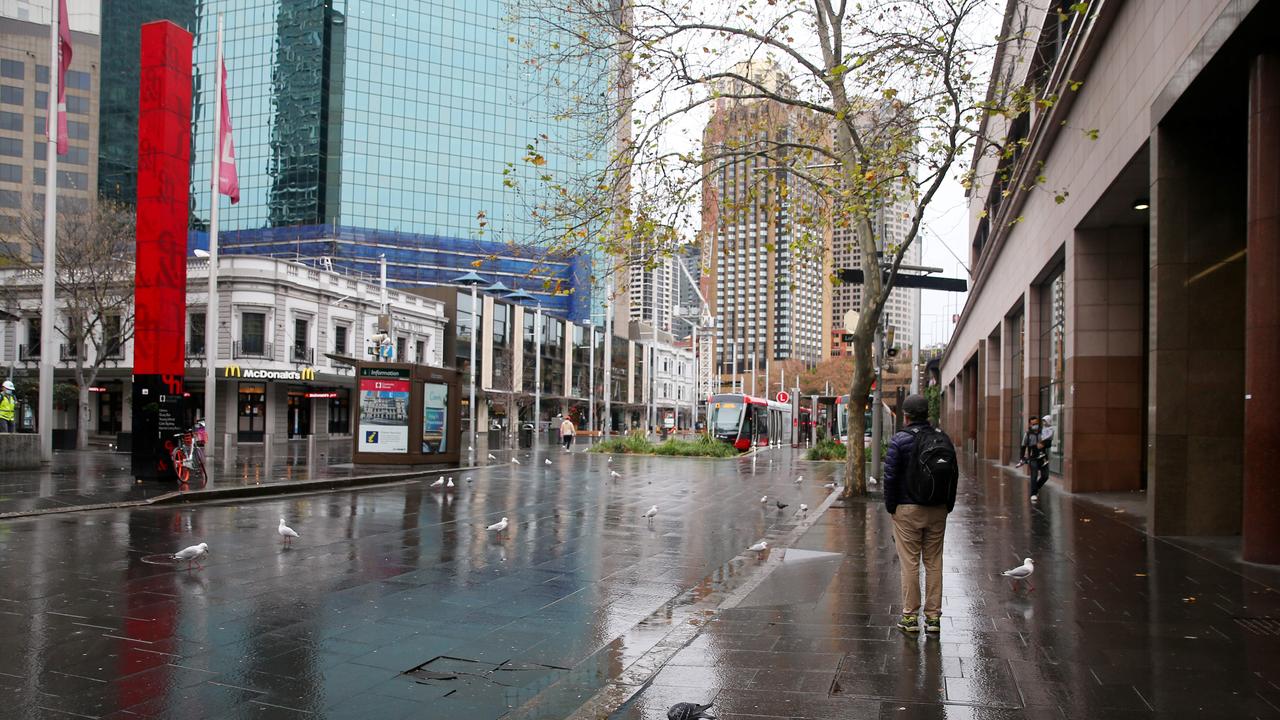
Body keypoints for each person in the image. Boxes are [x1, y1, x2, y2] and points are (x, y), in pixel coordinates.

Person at [883, 394, 957, 634]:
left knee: (910, 563)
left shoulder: (900, 440)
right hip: (937, 508)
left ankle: (910, 617)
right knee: (934, 562)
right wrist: (948, 505)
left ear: (905, 416)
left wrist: (891, 506)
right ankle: (934, 619)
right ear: (927, 414)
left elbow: (890, 477)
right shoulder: (942, 438)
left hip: (907, 510)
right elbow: (954, 474)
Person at [1021, 415, 1053, 501]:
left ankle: (1036, 488)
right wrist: (1022, 458)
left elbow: (1049, 443)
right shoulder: (1027, 434)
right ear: (1030, 425)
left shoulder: (1044, 431)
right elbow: (1023, 446)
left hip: (1043, 458)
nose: (1035, 425)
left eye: (1036, 423)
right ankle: (1033, 493)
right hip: (1033, 458)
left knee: (1045, 476)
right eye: (1033, 424)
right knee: (1034, 476)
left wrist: (1043, 444)